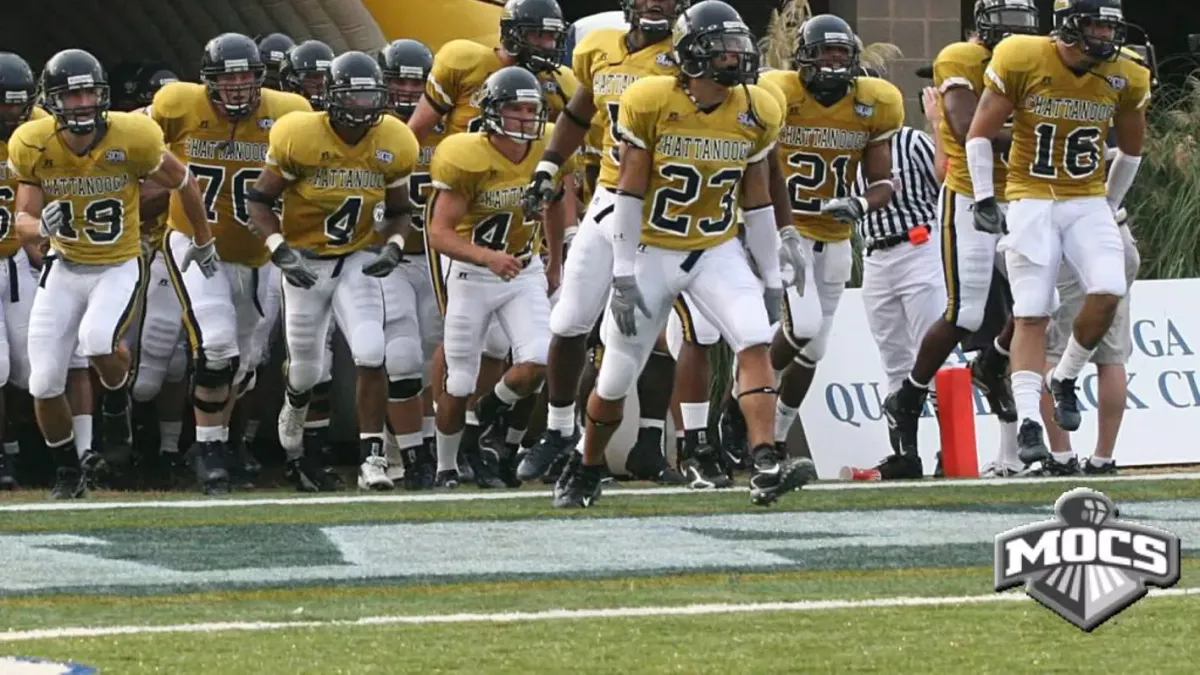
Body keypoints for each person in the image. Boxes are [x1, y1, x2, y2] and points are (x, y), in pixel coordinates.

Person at [553, 0, 815, 508]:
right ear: (693, 53)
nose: (736, 57)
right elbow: (627, 195)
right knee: (616, 375)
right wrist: (624, 275)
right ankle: (585, 465)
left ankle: (764, 461)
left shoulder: (757, 107)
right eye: (724, 48)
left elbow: (757, 199)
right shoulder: (650, 100)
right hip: (651, 249)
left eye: (739, 46)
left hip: (713, 247)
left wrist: (773, 272)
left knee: (755, 338)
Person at [10, 49, 217, 499]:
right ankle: (68, 471)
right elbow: (22, 217)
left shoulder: (134, 135)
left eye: (90, 92)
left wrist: (202, 238)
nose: (83, 103)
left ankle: (117, 397)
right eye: (72, 94)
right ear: (54, 100)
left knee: (100, 340)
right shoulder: (33, 141)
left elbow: (184, 181)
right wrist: (40, 227)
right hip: (63, 267)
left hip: (117, 263)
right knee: (43, 382)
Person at [964, 0, 1149, 465]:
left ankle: (1064, 376)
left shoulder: (1127, 73)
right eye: (1097, 25)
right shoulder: (1023, 55)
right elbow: (979, 133)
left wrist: (1108, 205)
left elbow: (1131, 151)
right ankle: (1029, 421)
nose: (1106, 36)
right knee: (1031, 311)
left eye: (1111, 27)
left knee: (1107, 289)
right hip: (1032, 197)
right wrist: (985, 196)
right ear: (1070, 25)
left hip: (1086, 198)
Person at [516, 0, 693, 486]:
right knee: (570, 317)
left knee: (649, 335)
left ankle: (648, 444)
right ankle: (557, 432)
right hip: (609, 196)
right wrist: (550, 165)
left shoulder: (686, 53)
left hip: (664, 211)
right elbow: (577, 113)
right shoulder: (596, 48)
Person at [408, 0, 578, 486]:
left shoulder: (554, 106)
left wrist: (556, 255)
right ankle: (442, 459)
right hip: (468, 239)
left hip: (519, 252)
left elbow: (555, 194)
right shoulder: (464, 78)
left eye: (553, 37)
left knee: (532, 358)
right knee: (459, 365)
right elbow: (411, 138)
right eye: (538, 36)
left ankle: (483, 429)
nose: (548, 46)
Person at [147, 33, 312, 495]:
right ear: (207, 80)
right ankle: (208, 450)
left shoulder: (289, 113)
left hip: (258, 254)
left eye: (245, 76)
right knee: (215, 347)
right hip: (195, 243)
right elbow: (132, 146)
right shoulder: (177, 103)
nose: (237, 86)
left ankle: (224, 442)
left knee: (245, 361)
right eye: (227, 77)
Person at [248, 51, 420, 491]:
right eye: (355, 96)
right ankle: (295, 405)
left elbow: (401, 210)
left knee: (371, 350)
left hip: (357, 257)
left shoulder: (394, 139)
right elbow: (260, 200)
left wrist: (395, 246)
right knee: (306, 369)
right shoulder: (299, 135)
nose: (364, 106)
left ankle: (372, 457)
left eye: (370, 96)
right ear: (332, 96)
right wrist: (278, 249)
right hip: (304, 261)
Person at [883, 0, 1040, 469]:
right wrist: (1037, 134)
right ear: (980, 24)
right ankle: (909, 395)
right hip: (971, 196)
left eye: (1021, 24)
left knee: (1034, 305)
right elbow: (968, 125)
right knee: (966, 312)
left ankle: (993, 361)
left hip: (1026, 193)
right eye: (1004, 23)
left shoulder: (1038, 59)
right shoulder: (960, 57)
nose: (1013, 33)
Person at [759, 15, 904, 463]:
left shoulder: (873, 102)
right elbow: (757, 161)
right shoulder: (779, 93)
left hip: (836, 237)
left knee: (815, 347)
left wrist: (860, 204)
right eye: (826, 53)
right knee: (801, 327)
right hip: (787, 232)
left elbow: (884, 182)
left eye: (842, 54)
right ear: (804, 56)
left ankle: (778, 436)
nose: (835, 62)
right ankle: (736, 407)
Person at [1038, 43, 1155, 477]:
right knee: (1112, 357)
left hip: (1080, 236)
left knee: (1055, 352)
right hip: (1116, 231)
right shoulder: (1118, 106)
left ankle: (1062, 455)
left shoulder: (1077, 101)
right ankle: (1104, 457)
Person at [847, 73, 947, 480]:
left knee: (934, 356)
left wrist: (938, 123)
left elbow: (944, 179)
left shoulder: (911, 141)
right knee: (895, 361)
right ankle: (906, 454)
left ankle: (950, 451)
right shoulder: (844, 145)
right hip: (874, 256)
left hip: (918, 246)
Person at [376, 37, 444, 489]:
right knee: (399, 356)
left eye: (417, 84)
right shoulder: (369, 128)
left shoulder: (451, 130)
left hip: (436, 261)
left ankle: (422, 449)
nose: (407, 92)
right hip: (387, 259)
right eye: (398, 82)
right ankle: (398, 450)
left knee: (432, 358)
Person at [0, 53, 43, 488]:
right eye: (3, 104)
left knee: (31, 364)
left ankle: (18, 445)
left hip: (19, 260)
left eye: (19, 104)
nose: (13, 114)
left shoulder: (42, 132)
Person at [280, 40, 336, 111]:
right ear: (292, 81)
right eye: (314, 76)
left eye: (325, 77)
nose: (321, 82)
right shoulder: (278, 110)